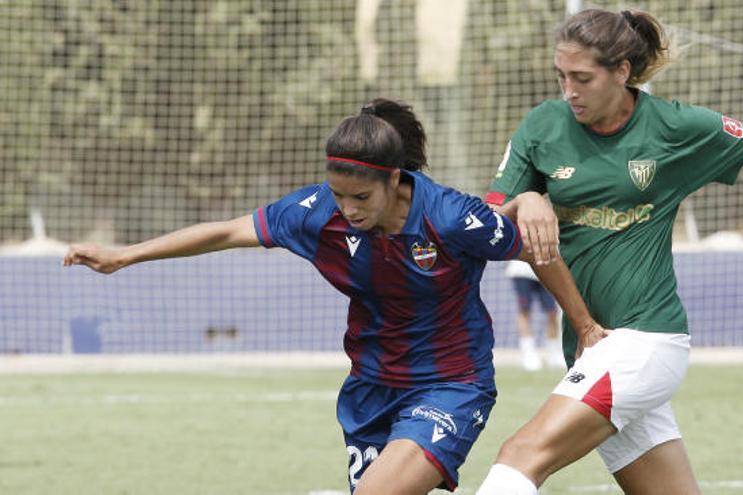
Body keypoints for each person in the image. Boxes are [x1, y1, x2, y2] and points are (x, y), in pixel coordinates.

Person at [63, 98, 600, 495]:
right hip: (368, 392)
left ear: (396, 179)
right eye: (339, 194)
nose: (347, 208)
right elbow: (228, 231)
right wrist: (124, 255)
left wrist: (584, 324)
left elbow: (536, 250)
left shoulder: (449, 217)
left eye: (360, 196)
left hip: (450, 386)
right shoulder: (317, 212)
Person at [475, 8, 743, 495]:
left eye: (581, 78)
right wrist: (529, 200)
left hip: (645, 342)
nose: (568, 91)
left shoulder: (673, 126)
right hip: (591, 347)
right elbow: (489, 226)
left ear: (622, 72)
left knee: (519, 457)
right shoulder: (542, 125)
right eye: (560, 76)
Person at [505, 259, 566, 370]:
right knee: (524, 311)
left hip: (546, 269)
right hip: (521, 270)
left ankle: (553, 353)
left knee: (552, 311)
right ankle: (528, 353)